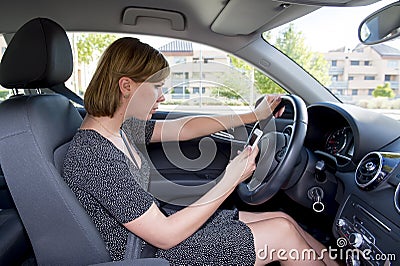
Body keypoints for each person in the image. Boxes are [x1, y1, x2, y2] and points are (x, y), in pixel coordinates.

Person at [63, 37, 337, 266]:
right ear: (126, 86)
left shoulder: (122, 129)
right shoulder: (93, 154)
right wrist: (231, 179)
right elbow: (165, 236)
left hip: (155, 231)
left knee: (282, 217)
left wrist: (252, 115)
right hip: (152, 253)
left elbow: (183, 128)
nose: (162, 96)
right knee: (282, 234)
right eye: (157, 87)